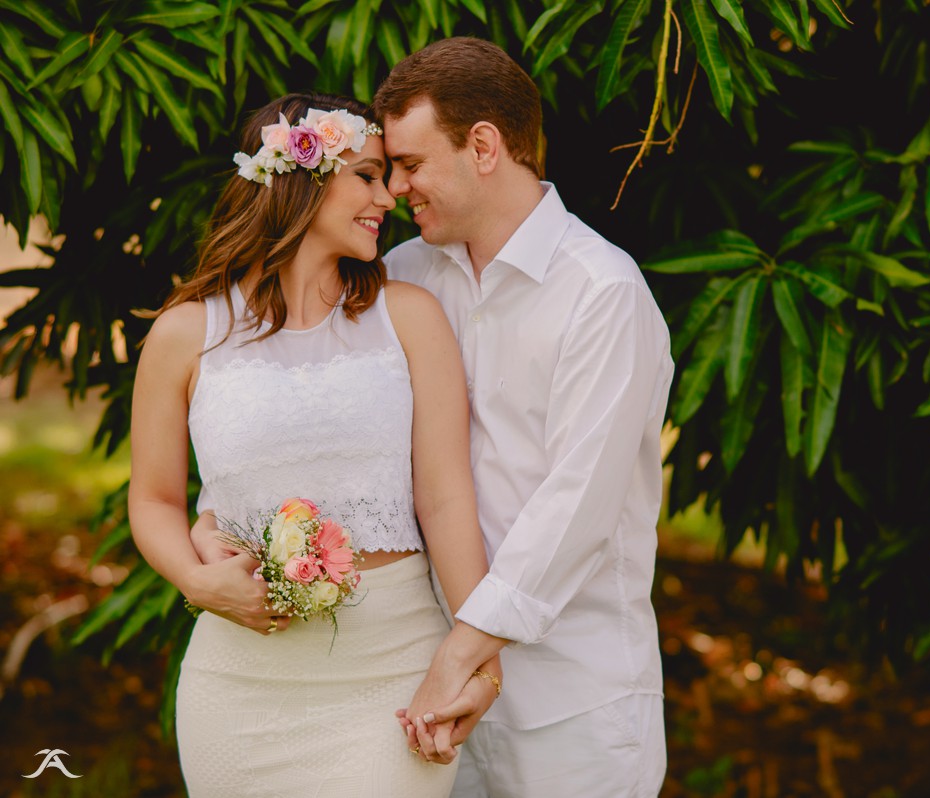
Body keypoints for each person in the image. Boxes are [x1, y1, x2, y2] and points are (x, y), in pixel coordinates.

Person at [128, 92, 499, 797]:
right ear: (301, 178)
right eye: (365, 174)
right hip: (239, 683)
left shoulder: (409, 318)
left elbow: (447, 500)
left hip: (391, 671)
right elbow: (152, 498)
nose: (388, 197)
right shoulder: (186, 332)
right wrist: (194, 578)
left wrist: (480, 661)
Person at [374, 37, 674, 797]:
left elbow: (579, 504)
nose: (394, 189)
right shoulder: (402, 278)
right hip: (420, 689)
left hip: (576, 705)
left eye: (410, 164)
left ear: (483, 146)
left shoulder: (602, 292)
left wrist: (462, 651)